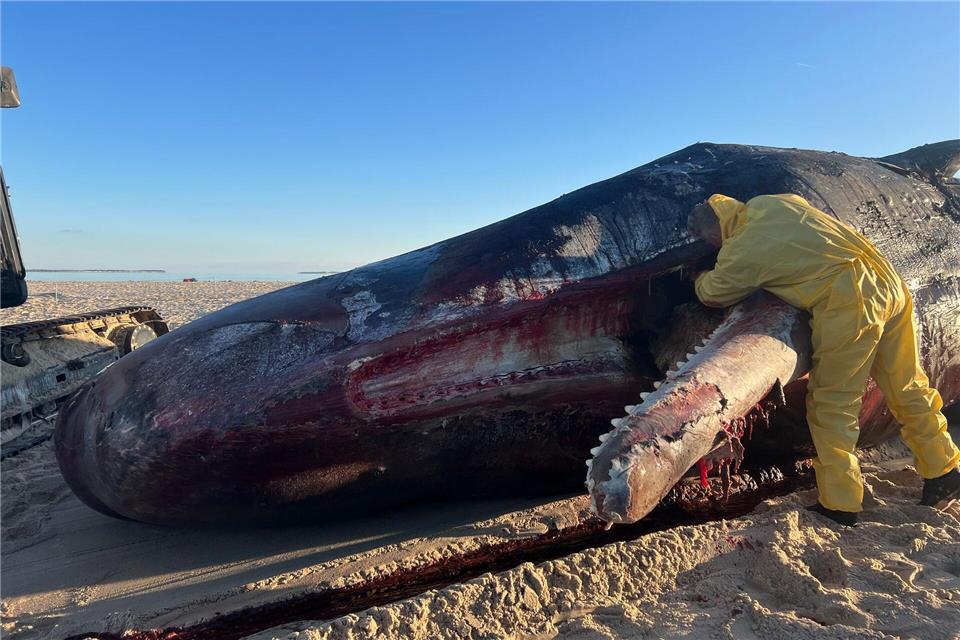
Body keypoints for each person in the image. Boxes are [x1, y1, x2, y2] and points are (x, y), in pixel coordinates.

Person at [686, 193, 960, 526]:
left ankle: (840, 503)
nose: (708, 242)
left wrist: (697, 275)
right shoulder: (770, 203)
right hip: (887, 281)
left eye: (706, 238)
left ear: (714, 232)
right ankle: (943, 469)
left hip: (850, 299)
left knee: (832, 403)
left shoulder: (742, 247)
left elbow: (714, 293)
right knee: (907, 385)